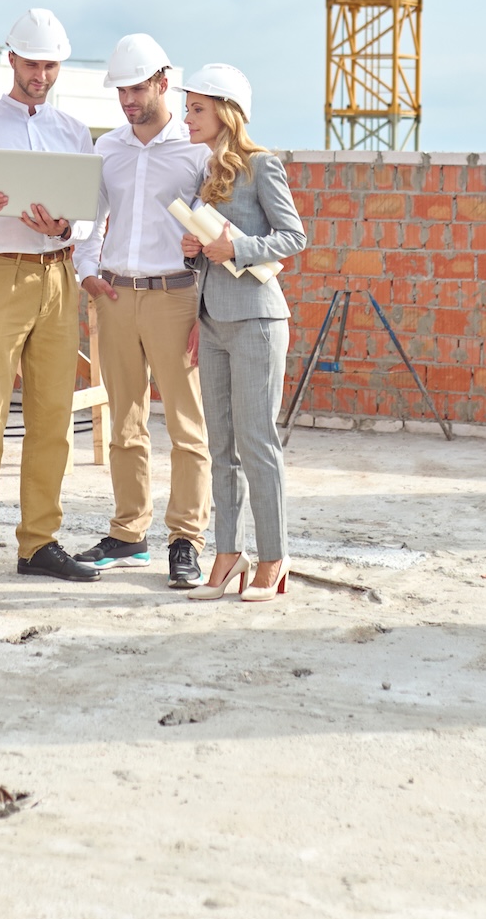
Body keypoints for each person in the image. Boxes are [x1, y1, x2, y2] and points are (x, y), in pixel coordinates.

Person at [0, 7, 103, 595]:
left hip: (58, 278)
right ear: (11, 59)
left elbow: (88, 216)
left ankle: (38, 543)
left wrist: (65, 227)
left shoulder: (74, 132)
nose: (41, 76)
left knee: (53, 420)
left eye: (51, 66)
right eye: (32, 64)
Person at [72, 34, 212, 589]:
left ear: (162, 82)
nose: (128, 101)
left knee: (186, 425)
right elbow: (90, 217)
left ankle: (186, 540)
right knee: (124, 424)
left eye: (136, 89)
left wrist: (204, 307)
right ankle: (129, 533)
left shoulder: (198, 150)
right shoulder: (108, 148)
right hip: (115, 296)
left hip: (176, 297)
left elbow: (215, 232)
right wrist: (87, 269)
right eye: (121, 91)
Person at [178, 64, 308, 602]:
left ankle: (274, 558)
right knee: (221, 446)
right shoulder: (206, 173)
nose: (187, 117)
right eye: (187, 108)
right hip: (212, 322)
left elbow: (294, 236)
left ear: (226, 112)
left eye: (197, 109)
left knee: (258, 443)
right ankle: (228, 554)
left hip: (257, 321)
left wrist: (238, 248)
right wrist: (194, 252)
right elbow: (208, 253)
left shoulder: (262, 166)